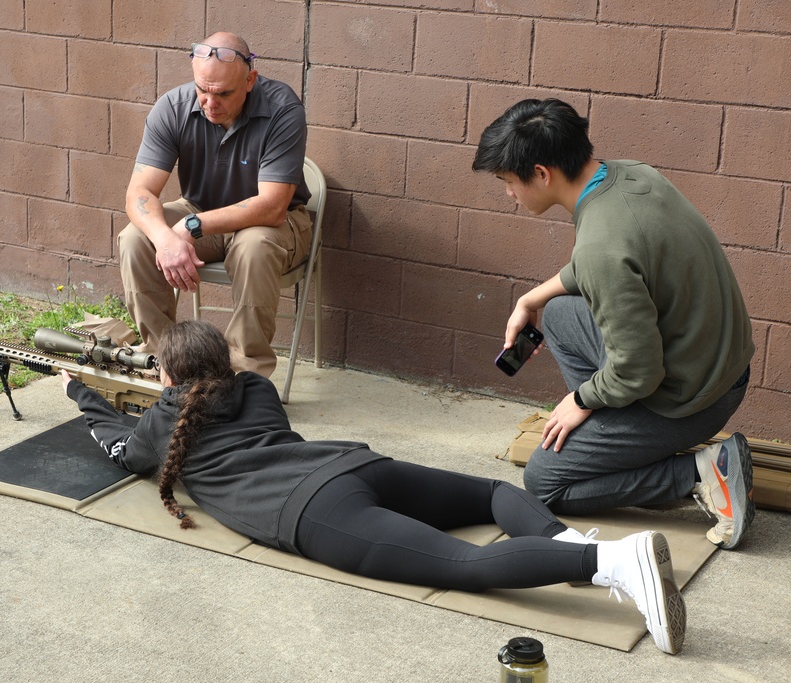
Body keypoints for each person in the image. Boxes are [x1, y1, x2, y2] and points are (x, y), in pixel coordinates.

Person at [62, 320, 687, 654]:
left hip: (311, 511)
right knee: (492, 495)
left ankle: (607, 561)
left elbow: (124, 451)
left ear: (168, 377)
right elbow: (217, 403)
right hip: (356, 466)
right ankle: (566, 543)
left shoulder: (166, 419)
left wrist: (81, 393)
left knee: (467, 565)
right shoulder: (253, 386)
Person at [471, 98, 756, 550]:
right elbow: (619, 262)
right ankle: (615, 430)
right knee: (562, 313)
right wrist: (534, 297)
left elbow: (639, 370)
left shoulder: (601, 246)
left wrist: (584, 399)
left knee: (545, 481)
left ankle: (702, 472)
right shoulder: (631, 174)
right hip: (718, 362)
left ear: (542, 173)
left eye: (508, 181)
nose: (509, 194)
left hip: (694, 397)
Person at [117, 31, 312, 378]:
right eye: (202, 90)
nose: (209, 103)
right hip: (200, 210)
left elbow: (272, 206)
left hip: (272, 225)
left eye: (223, 93)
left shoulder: (282, 108)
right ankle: (167, 365)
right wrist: (164, 239)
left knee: (254, 247)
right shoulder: (173, 107)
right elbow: (139, 192)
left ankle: (240, 378)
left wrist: (192, 227)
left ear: (250, 80)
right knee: (135, 239)